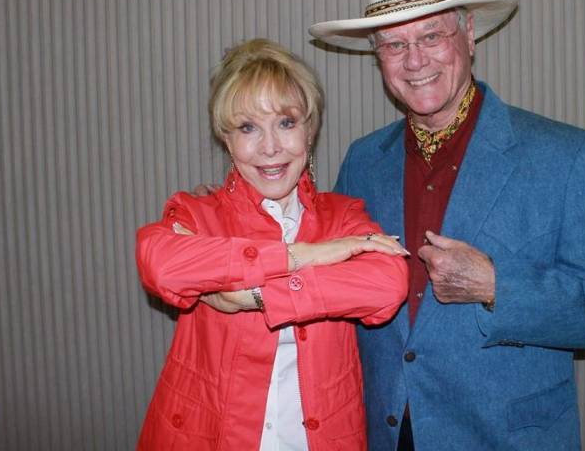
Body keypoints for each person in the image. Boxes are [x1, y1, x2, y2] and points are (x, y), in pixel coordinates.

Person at [308, 0, 585, 450]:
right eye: (393, 45)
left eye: (430, 35)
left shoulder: (568, 156)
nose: (414, 59)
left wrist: (496, 285)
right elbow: (325, 275)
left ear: (468, 34)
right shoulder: (362, 161)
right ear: (378, 57)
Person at [135, 38, 409, 450]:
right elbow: (160, 264)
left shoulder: (343, 215)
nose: (270, 147)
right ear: (226, 139)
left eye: (286, 122)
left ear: (310, 131)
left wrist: (258, 296)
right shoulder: (197, 213)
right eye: (248, 128)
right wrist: (303, 256)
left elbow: (388, 284)